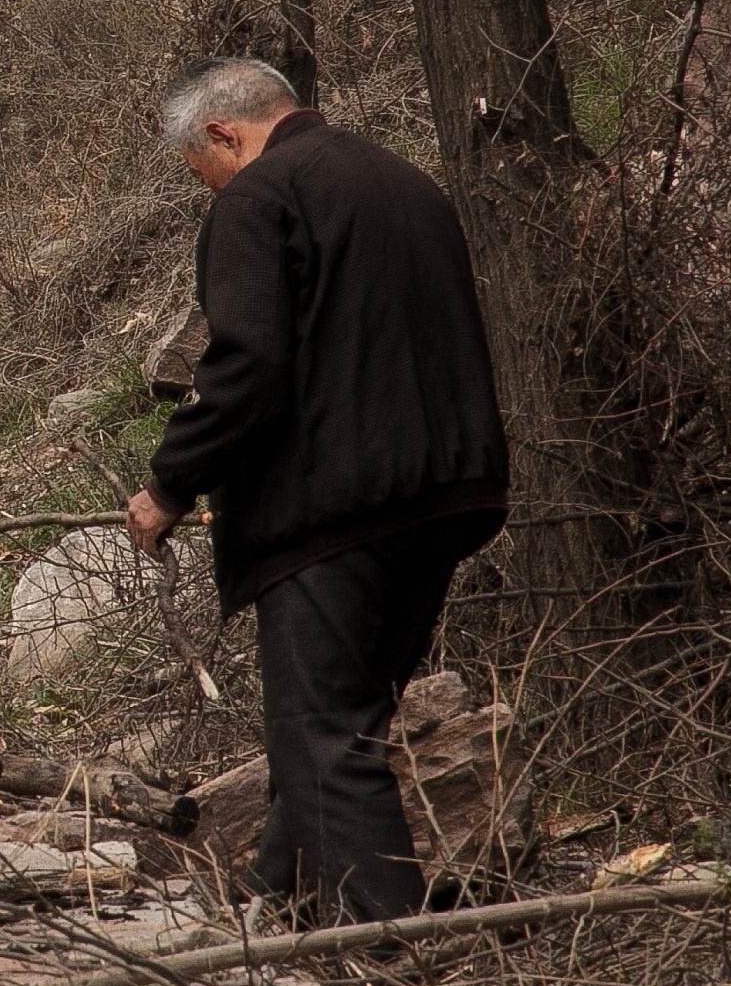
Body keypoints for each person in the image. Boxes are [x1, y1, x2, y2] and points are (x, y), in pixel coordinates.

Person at [124, 58, 511, 921]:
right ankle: (271, 898)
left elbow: (247, 365)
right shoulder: (407, 182)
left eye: (204, 168)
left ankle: (388, 961)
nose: (211, 186)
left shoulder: (260, 197)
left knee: (323, 737)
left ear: (225, 134)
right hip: (452, 493)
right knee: (341, 725)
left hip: (338, 509)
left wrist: (169, 484)